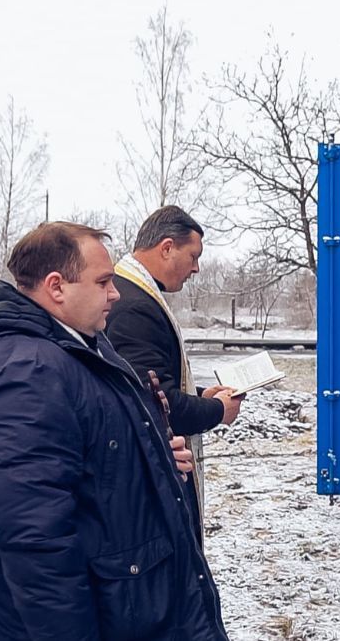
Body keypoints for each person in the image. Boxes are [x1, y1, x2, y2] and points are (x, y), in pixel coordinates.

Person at [0, 221, 228, 641]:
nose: (115, 293)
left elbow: (93, 457)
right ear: (57, 287)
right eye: (104, 282)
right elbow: (34, 542)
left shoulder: (80, 346)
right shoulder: (23, 372)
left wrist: (157, 459)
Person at [106, 206, 244, 529]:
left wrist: (199, 393)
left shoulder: (135, 293)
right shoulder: (135, 307)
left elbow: (150, 382)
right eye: (193, 256)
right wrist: (217, 410)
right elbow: (155, 405)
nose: (196, 268)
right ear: (167, 248)